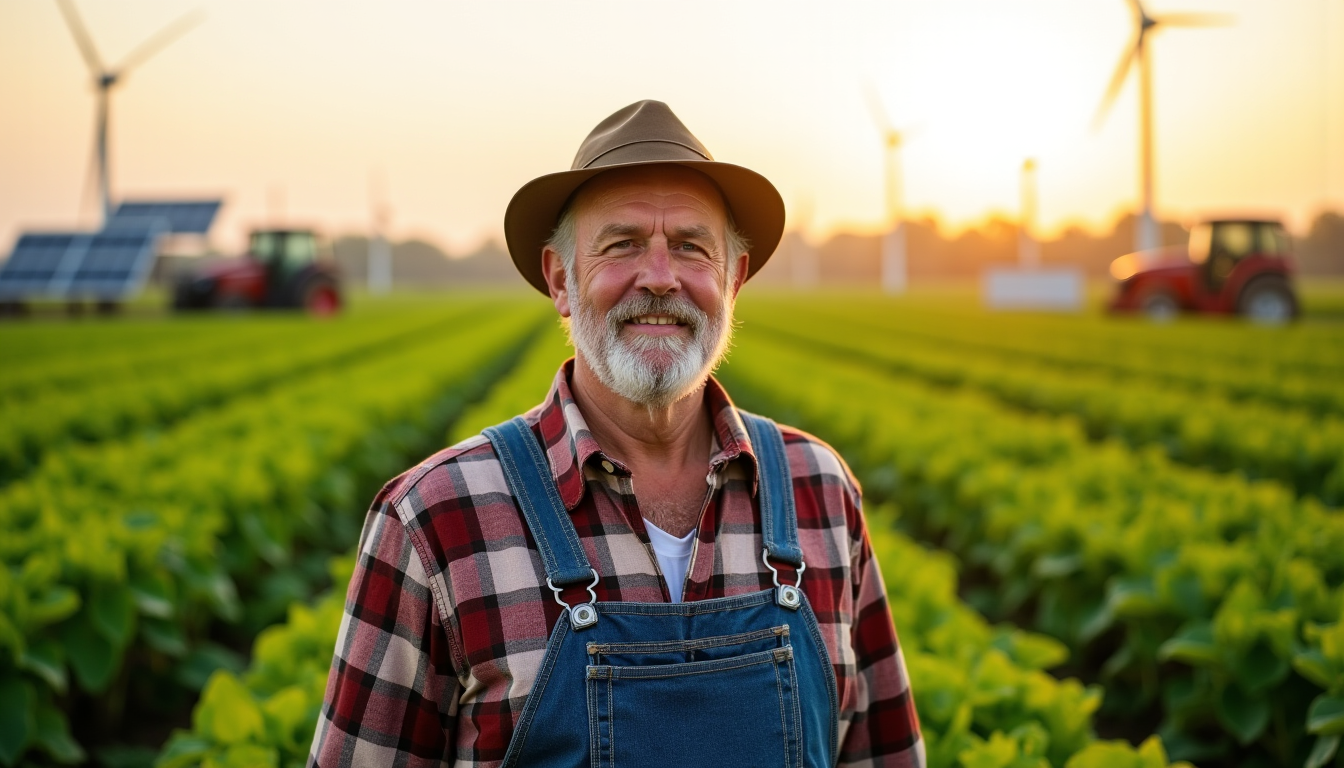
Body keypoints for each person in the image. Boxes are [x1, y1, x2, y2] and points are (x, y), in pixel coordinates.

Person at [309, 100, 924, 768]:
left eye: (691, 247)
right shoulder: (433, 519)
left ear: (733, 280)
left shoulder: (821, 491)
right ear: (560, 280)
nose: (660, 278)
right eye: (622, 244)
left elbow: (883, 753)